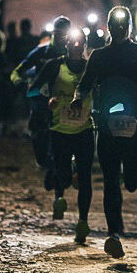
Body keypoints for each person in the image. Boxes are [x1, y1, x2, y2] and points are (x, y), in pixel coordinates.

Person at [71, 6, 137, 258]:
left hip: (136, 125)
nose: (118, 30)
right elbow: (84, 85)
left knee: (133, 180)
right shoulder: (99, 56)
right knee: (111, 180)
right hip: (106, 125)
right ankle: (113, 233)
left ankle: (119, 218)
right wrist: (78, 99)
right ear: (109, 28)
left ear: (128, 27)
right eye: (115, 26)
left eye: (122, 25)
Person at [32, 28, 93, 244]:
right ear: (66, 45)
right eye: (73, 44)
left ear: (85, 46)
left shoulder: (90, 68)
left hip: (85, 129)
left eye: (80, 44)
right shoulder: (55, 66)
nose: (76, 48)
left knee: (86, 178)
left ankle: (83, 222)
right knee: (62, 172)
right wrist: (48, 100)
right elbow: (33, 90)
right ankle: (59, 196)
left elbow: (103, 91)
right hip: (60, 130)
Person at [10, 16, 70, 178]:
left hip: (64, 100)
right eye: (58, 33)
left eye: (65, 33)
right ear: (53, 33)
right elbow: (18, 71)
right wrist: (19, 81)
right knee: (40, 133)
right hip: (40, 99)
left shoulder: (74, 52)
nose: (61, 37)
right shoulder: (41, 51)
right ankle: (44, 161)